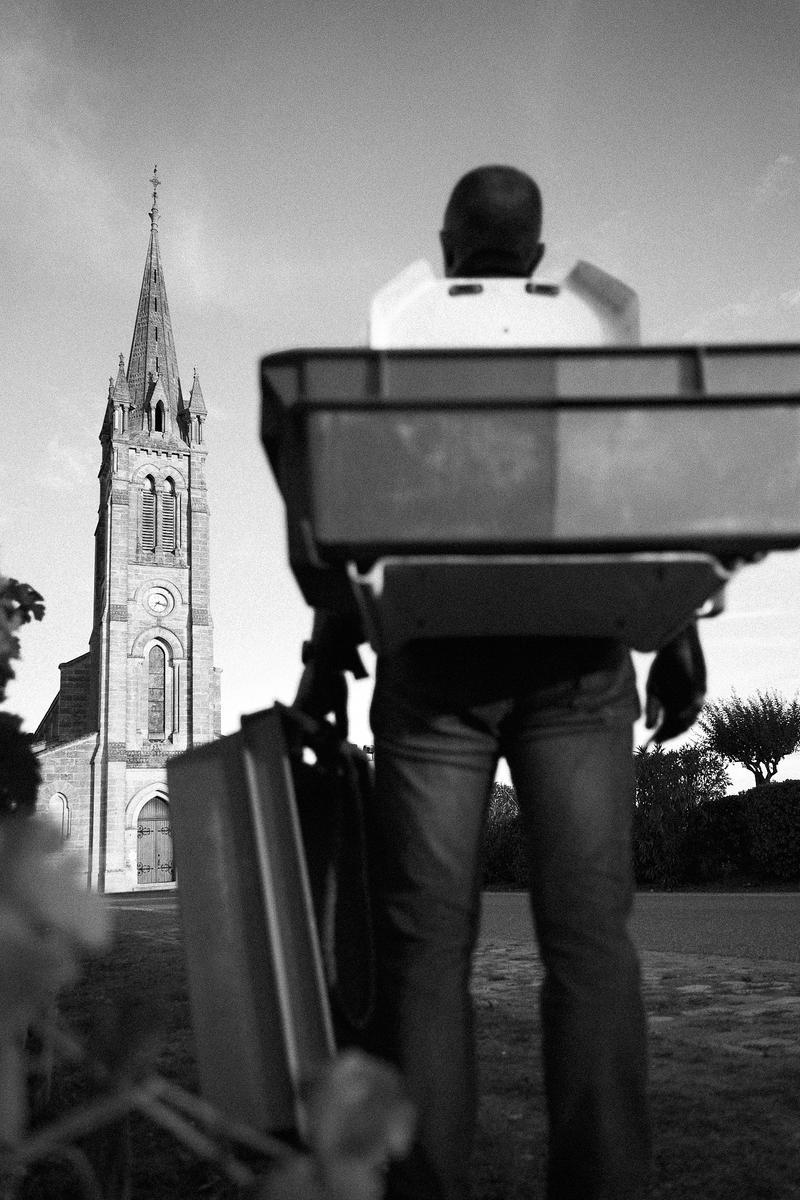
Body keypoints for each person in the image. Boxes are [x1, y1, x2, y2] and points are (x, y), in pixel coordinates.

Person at [295, 165, 707, 1200]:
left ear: (444, 245)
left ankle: (423, 1184)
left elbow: (356, 515)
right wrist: (680, 636)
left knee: (424, 949)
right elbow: (643, 497)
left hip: (433, 669)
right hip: (577, 664)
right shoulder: (592, 333)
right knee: (588, 942)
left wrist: (321, 656)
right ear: (534, 252)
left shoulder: (406, 334)